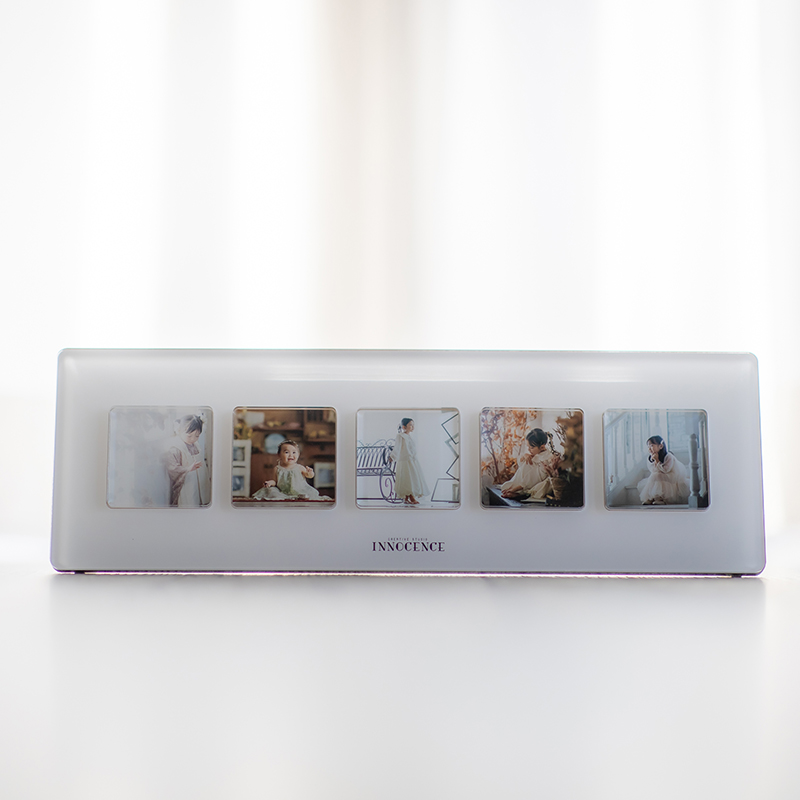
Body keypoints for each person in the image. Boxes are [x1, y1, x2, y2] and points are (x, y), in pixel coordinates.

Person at [253, 439, 331, 501]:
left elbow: (309, 476)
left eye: (294, 452)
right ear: (279, 455)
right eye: (286, 452)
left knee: (308, 494)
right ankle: (287, 497)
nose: (291, 455)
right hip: (282, 491)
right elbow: (275, 482)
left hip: (299, 490)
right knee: (271, 491)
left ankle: (299, 497)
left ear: (298, 455)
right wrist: (270, 483)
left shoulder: (299, 467)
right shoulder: (277, 469)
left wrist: (310, 473)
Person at [500, 428, 560, 500]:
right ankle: (517, 490)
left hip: (534, 483)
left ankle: (519, 491)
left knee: (529, 465)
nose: (528, 450)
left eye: (531, 448)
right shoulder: (536, 453)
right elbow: (520, 464)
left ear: (542, 447)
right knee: (526, 462)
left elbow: (535, 477)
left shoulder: (546, 460)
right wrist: (524, 456)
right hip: (525, 481)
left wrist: (516, 488)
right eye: (528, 447)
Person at [164, 414, 209, 506]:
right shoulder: (176, 448)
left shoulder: (196, 445)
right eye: (189, 436)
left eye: (197, 436)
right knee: (190, 501)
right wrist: (187, 469)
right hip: (187, 485)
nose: (193, 439)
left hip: (199, 483)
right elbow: (172, 469)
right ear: (179, 430)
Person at [637, 435, 690, 505]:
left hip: (671, 475)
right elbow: (653, 470)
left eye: (652, 446)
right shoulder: (650, 458)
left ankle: (661, 498)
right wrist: (654, 461)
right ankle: (651, 497)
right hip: (659, 474)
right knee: (654, 476)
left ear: (660, 446)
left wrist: (657, 460)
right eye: (648, 446)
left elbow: (666, 470)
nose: (649, 449)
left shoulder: (668, 456)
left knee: (658, 476)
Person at [390, 418, 429, 505]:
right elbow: (397, 447)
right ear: (404, 427)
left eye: (413, 425)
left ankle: (407, 497)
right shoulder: (400, 436)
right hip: (405, 461)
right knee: (407, 478)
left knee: (413, 478)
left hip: (412, 460)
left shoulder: (410, 437)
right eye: (410, 425)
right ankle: (411, 497)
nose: (412, 427)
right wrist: (393, 456)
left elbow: (412, 448)